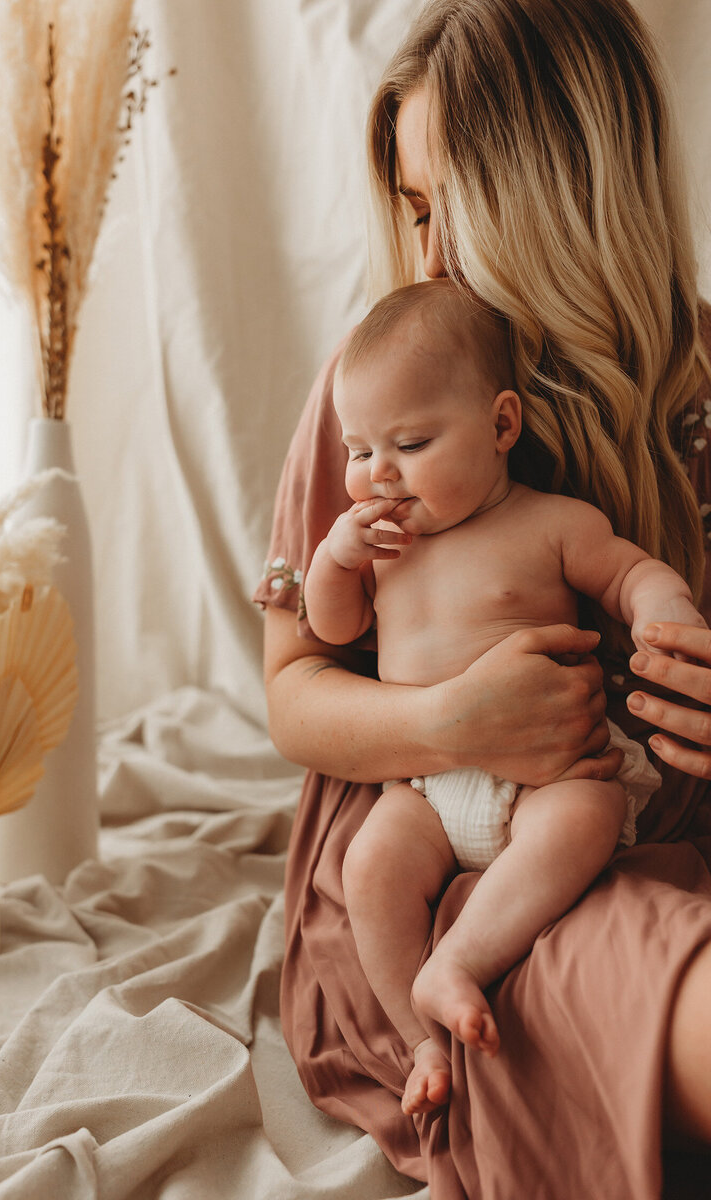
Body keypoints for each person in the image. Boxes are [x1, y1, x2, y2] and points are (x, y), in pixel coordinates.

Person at [254, 1, 711, 1195]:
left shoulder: (695, 384)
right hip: (413, 856)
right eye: (411, 212)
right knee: (592, 968)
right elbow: (294, 690)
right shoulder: (380, 400)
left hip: (620, 826)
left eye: (454, 205)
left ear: (567, 188)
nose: (431, 255)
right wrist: (447, 722)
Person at [302, 277, 704, 1116]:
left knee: (585, 821)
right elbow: (332, 632)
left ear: (501, 425)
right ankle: (421, 1040)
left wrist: (659, 605)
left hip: (545, 778)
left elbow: (628, 570)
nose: (377, 473)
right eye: (357, 450)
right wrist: (335, 561)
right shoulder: (381, 549)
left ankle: (463, 961)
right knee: (370, 868)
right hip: (421, 788)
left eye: (408, 444)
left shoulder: (549, 522)